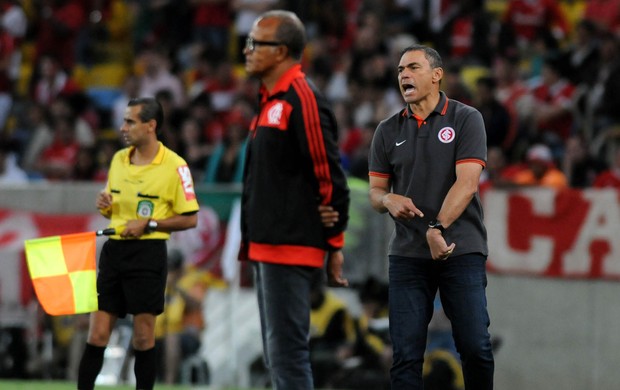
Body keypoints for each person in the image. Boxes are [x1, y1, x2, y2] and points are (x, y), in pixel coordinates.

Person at [368, 44, 494, 389]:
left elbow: (467, 184)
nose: (403, 75)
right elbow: (376, 194)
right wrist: (389, 199)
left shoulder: (466, 119)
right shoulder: (387, 131)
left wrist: (438, 228)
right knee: (405, 356)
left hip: (461, 248)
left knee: (475, 347)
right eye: (399, 70)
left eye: (412, 67)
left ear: (437, 75)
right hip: (408, 254)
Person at [238, 10, 350, 390]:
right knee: (277, 355)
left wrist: (334, 244)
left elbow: (331, 179)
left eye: (256, 43)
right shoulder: (271, 99)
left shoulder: (302, 99)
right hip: (268, 245)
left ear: (282, 51)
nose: (246, 50)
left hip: (290, 246)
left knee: (287, 355)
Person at [76, 97, 200, 390]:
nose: (123, 128)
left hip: (148, 254)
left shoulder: (175, 166)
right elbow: (112, 205)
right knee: (97, 334)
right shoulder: (119, 159)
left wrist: (150, 224)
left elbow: (190, 218)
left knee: (143, 336)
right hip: (114, 252)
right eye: (124, 121)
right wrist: (104, 204)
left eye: (130, 121)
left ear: (151, 125)